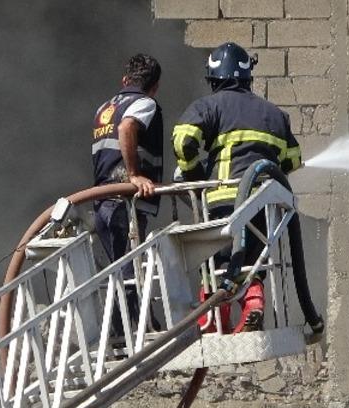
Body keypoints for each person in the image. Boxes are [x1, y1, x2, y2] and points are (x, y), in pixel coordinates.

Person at [172, 42, 302, 331]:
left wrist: (194, 176)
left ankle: (211, 320)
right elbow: (292, 160)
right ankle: (253, 303)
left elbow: (183, 140)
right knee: (251, 263)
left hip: (223, 203)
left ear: (213, 78)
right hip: (264, 207)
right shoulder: (276, 115)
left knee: (216, 265)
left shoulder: (209, 106)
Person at [92, 53, 164, 271]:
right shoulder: (145, 103)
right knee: (130, 279)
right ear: (155, 87)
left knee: (120, 277)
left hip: (103, 202)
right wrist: (134, 174)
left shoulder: (105, 108)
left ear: (125, 80)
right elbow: (126, 127)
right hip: (125, 204)